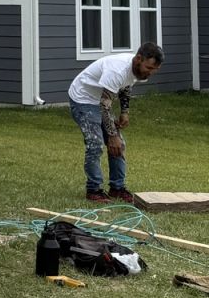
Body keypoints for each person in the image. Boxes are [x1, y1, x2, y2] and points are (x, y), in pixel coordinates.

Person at [67, 43, 164, 203]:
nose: (151, 73)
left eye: (155, 69)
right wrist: (112, 135)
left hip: (100, 100)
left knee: (119, 145)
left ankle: (117, 188)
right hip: (82, 98)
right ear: (139, 59)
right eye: (149, 68)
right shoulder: (117, 70)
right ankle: (94, 190)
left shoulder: (136, 69)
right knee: (96, 144)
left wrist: (125, 112)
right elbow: (104, 106)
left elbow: (126, 86)